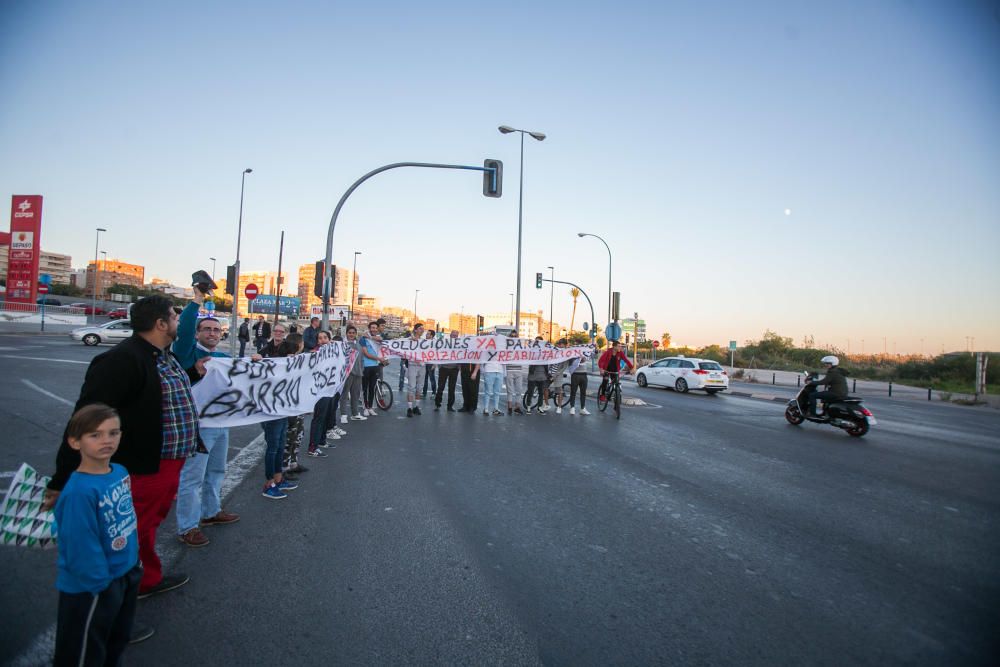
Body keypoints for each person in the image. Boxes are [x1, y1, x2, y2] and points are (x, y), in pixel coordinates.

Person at [43, 294, 196, 599]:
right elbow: (86, 419)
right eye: (175, 317)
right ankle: (117, 605)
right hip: (144, 464)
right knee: (129, 533)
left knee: (148, 525)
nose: (178, 322)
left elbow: (161, 393)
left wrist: (196, 373)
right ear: (161, 323)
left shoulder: (163, 355)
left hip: (168, 462)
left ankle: (145, 580)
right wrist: (62, 479)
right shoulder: (123, 359)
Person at [53, 404, 145, 665]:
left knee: (116, 640)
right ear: (74, 442)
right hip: (93, 586)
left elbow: (124, 518)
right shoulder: (79, 492)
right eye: (95, 435)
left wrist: (133, 562)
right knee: (85, 651)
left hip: (126, 573)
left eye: (113, 433)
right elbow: (80, 545)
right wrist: (100, 584)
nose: (107, 440)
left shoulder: (119, 471)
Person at [171, 311, 241, 548]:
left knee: (217, 471)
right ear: (198, 334)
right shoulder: (186, 353)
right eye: (207, 329)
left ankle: (211, 512)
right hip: (198, 426)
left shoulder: (222, 356)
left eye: (216, 330)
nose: (212, 333)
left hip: (221, 424)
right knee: (192, 476)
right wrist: (196, 302)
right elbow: (183, 331)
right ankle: (187, 526)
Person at [259, 337, 301, 499]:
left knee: (280, 444)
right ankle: (269, 484)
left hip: (282, 411)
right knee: (273, 447)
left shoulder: (290, 368)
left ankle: (278, 478)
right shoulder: (272, 367)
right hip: (271, 412)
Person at [282, 333, 308, 477]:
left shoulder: (301, 358)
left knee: (298, 433)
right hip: (289, 405)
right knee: (289, 436)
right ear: (298, 344)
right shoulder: (284, 360)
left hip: (299, 404)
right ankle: (284, 468)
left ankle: (293, 462)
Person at [307, 330, 336, 457]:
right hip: (319, 391)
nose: (323, 340)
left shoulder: (334, 352)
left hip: (331, 390)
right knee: (318, 418)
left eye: (325, 337)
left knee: (326, 416)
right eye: (320, 338)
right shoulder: (314, 353)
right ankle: (312, 447)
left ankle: (322, 440)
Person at [360, 321, 388, 416]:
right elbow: (366, 354)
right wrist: (379, 358)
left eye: (376, 328)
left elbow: (381, 339)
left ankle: (370, 407)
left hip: (375, 367)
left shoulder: (377, 338)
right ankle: (365, 407)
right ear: (369, 328)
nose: (374, 329)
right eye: (372, 328)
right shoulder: (363, 338)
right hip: (366, 366)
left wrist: (370, 337)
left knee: (372, 388)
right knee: (365, 388)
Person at [340, 324, 366, 423]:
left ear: (356, 334)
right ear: (346, 334)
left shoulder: (358, 344)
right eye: (349, 333)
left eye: (353, 333)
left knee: (355, 394)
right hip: (348, 373)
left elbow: (361, 359)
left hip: (358, 373)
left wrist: (362, 369)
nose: (351, 334)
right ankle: (343, 415)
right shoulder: (343, 345)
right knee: (344, 394)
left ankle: (355, 414)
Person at [435, 330, 461, 412]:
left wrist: (458, 366)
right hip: (444, 368)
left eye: (456, 335)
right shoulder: (444, 343)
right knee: (440, 387)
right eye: (453, 335)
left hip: (454, 369)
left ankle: (450, 406)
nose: (454, 337)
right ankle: (437, 405)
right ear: (450, 335)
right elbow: (437, 352)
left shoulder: (460, 345)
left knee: (452, 388)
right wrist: (439, 365)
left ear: (458, 337)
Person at [405, 323, 427, 417]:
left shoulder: (425, 341)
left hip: (422, 366)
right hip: (412, 365)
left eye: (423, 329)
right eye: (420, 328)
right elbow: (397, 342)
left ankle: (416, 407)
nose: (422, 330)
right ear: (415, 330)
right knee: (411, 387)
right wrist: (411, 339)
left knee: (420, 387)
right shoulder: (409, 340)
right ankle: (409, 408)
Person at [505, 330, 527, 415]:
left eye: (515, 336)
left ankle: (517, 407)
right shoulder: (506, 346)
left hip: (519, 370)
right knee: (509, 390)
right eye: (512, 336)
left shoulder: (521, 346)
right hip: (509, 370)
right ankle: (510, 407)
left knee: (519, 390)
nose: (514, 338)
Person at [548, 339, 571, 415]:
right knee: (545, 388)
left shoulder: (566, 353)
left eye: (561, 344)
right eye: (558, 344)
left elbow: (564, 367)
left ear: (564, 345)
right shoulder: (555, 351)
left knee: (559, 390)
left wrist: (556, 374)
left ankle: (559, 407)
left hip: (557, 374)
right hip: (550, 372)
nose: (559, 345)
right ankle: (545, 404)